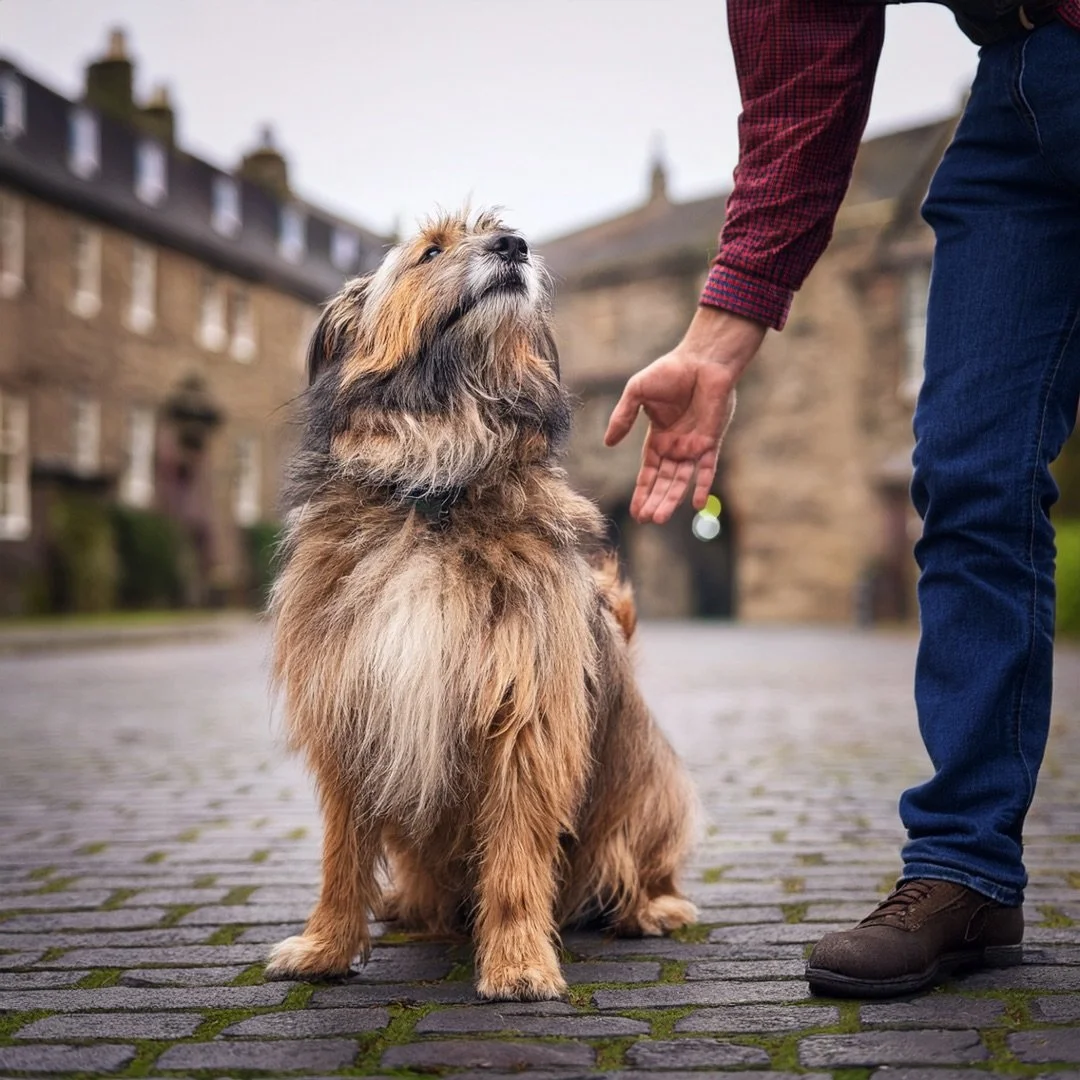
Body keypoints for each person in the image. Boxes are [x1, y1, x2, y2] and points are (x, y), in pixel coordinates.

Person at [604, 0, 1080, 998]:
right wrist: (714, 344)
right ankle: (965, 870)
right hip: (1015, 98)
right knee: (967, 479)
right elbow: (802, 63)